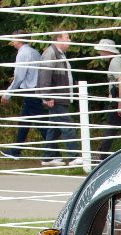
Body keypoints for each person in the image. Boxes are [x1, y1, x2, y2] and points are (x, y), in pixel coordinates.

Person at [37, 31, 78, 164]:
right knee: (67, 126)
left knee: (54, 129)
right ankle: (74, 157)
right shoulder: (51, 53)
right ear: (58, 38)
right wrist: (47, 96)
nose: (69, 40)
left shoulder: (58, 53)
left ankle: (48, 157)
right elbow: (45, 75)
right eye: (67, 37)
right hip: (56, 97)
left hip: (59, 96)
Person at [1, 35, 43, 157]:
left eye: (14, 39)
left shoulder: (23, 54)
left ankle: (54, 151)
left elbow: (19, 77)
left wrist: (7, 94)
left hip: (30, 90)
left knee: (41, 123)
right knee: (25, 122)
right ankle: (16, 151)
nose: (12, 41)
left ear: (19, 40)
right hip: (37, 89)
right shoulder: (35, 52)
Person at [97, 39, 121, 145]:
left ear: (107, 51)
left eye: (101, 50)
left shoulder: (115, 62)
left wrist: (120, 104)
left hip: (120, 99)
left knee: (110, 129)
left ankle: (102, 153)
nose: (99, 53)